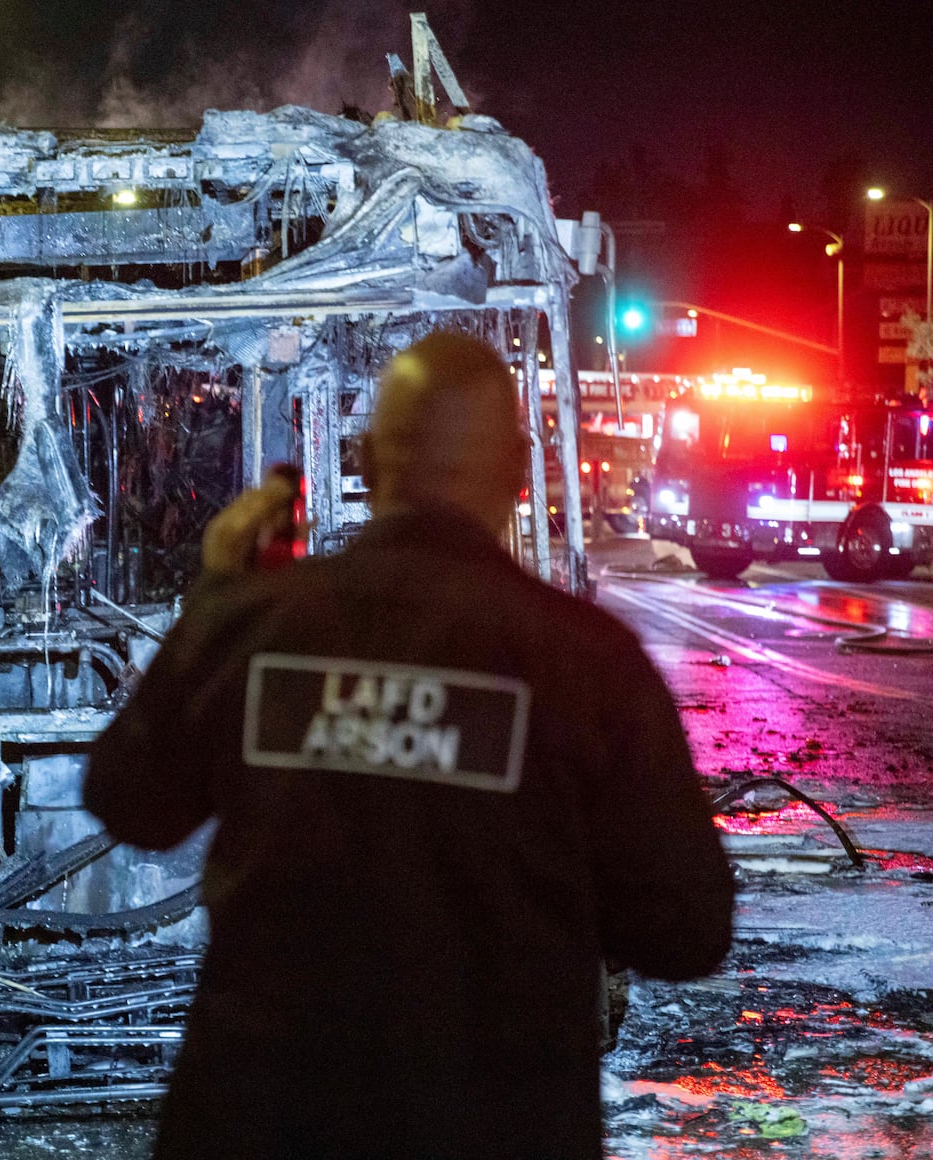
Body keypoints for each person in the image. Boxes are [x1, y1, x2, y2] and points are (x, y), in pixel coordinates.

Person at [83, 331, 734, 1160]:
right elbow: (687, 930)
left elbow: (129, 802)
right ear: (518, 470)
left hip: (261, 1119)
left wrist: (217, 597)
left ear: (369, 461)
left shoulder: (261, 625)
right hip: (497, 1124)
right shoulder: (588, 663)